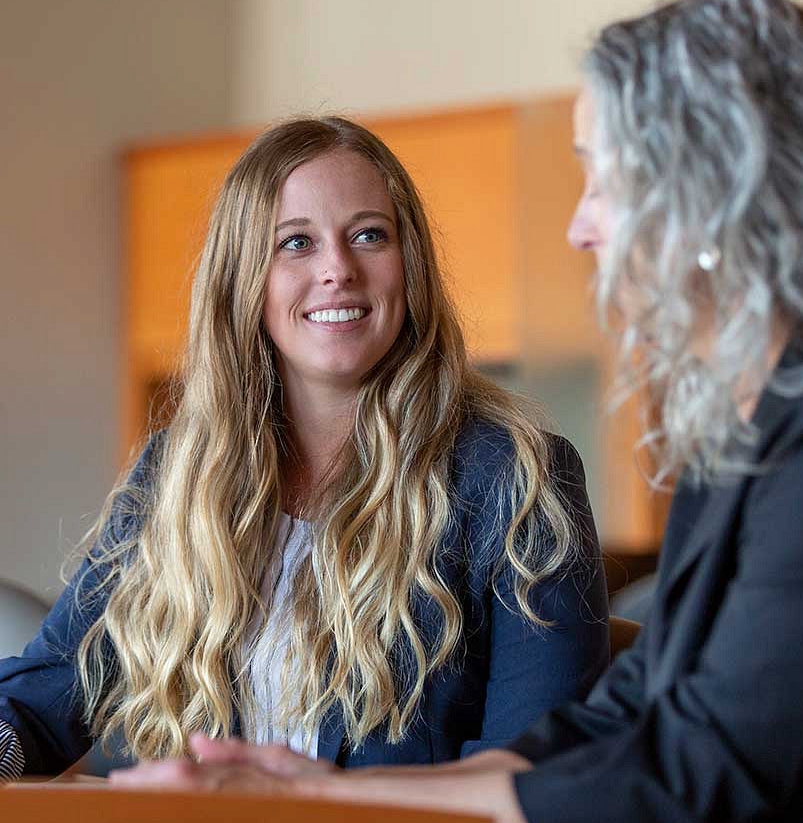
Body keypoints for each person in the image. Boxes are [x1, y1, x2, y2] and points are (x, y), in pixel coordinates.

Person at [109, 0, 803, 823]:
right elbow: (615, 720)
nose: (581, 224)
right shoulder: (762, 423)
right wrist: (314, 793)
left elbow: (684, 776)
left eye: (603, 179)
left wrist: (314, 809)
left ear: (713, 190)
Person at [0, 116, 610, 779]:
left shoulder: (517, 479)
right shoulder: (176, 474)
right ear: (244, 281)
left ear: (409, 265)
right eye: (296, 243)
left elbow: (539, 771)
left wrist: (320, 813)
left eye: (369, 236)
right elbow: (38, 703)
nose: (337, 270)